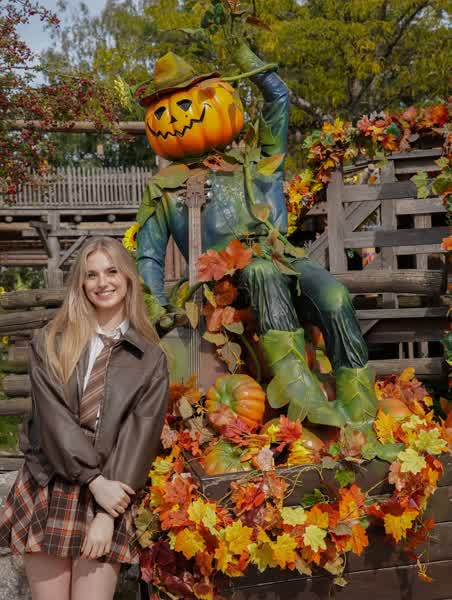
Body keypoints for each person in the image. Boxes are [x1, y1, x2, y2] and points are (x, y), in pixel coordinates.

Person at [136, 40, 376, 428]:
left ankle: (360, 406)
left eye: (191, 101)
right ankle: (301, 393)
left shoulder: (257, 161)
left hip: (282, 259)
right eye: (162, 111)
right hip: (222, 279)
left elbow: (278, 98)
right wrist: (156, 307)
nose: (178, 116)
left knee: (334, 295)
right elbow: (148, 254)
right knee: (261, 272)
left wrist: (246, 56)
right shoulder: (163, 188)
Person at [0, 236, 169, 600]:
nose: (102, 282)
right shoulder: (51, 341)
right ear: (81, 283)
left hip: (109, 490)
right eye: (91, 275)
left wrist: (108, 513)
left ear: (127, 278)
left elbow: (139, 436)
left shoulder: (150, 359)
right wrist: (92, 479)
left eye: (111, 272)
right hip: (50, 481)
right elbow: (53, 419)